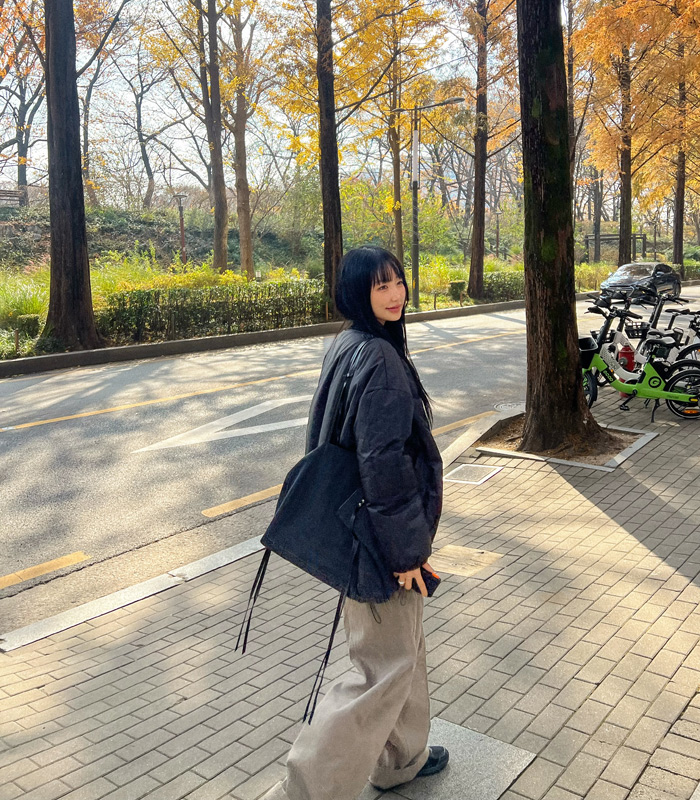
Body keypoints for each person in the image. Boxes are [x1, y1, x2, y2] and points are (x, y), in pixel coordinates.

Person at [262, 246, 446, 800]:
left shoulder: (351, 343)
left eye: (397, 282)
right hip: (380, 537)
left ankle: (401, 759)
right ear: (356, 293)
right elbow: (383, 465)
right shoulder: (381, 359)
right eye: (379, 286)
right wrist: (407, 553)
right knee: (381, 669)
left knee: (401, 651)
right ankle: (304, 790)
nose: (395, 295)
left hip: (361, 527)